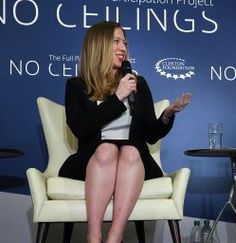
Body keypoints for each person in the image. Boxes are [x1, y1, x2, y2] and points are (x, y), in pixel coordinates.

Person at [58, 21, 191, 243]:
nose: (123, 48)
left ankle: (114, 236)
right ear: (99, 46)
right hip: (93, 160)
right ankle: (93, 236)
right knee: (107, 149)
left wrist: (167, 114)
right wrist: (116, 98)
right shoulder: (76, 86)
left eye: (125, 42)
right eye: (116, 42)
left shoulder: (138, 83)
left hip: (134, 162)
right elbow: (81, 129)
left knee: (130, 151)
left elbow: (150, 134)